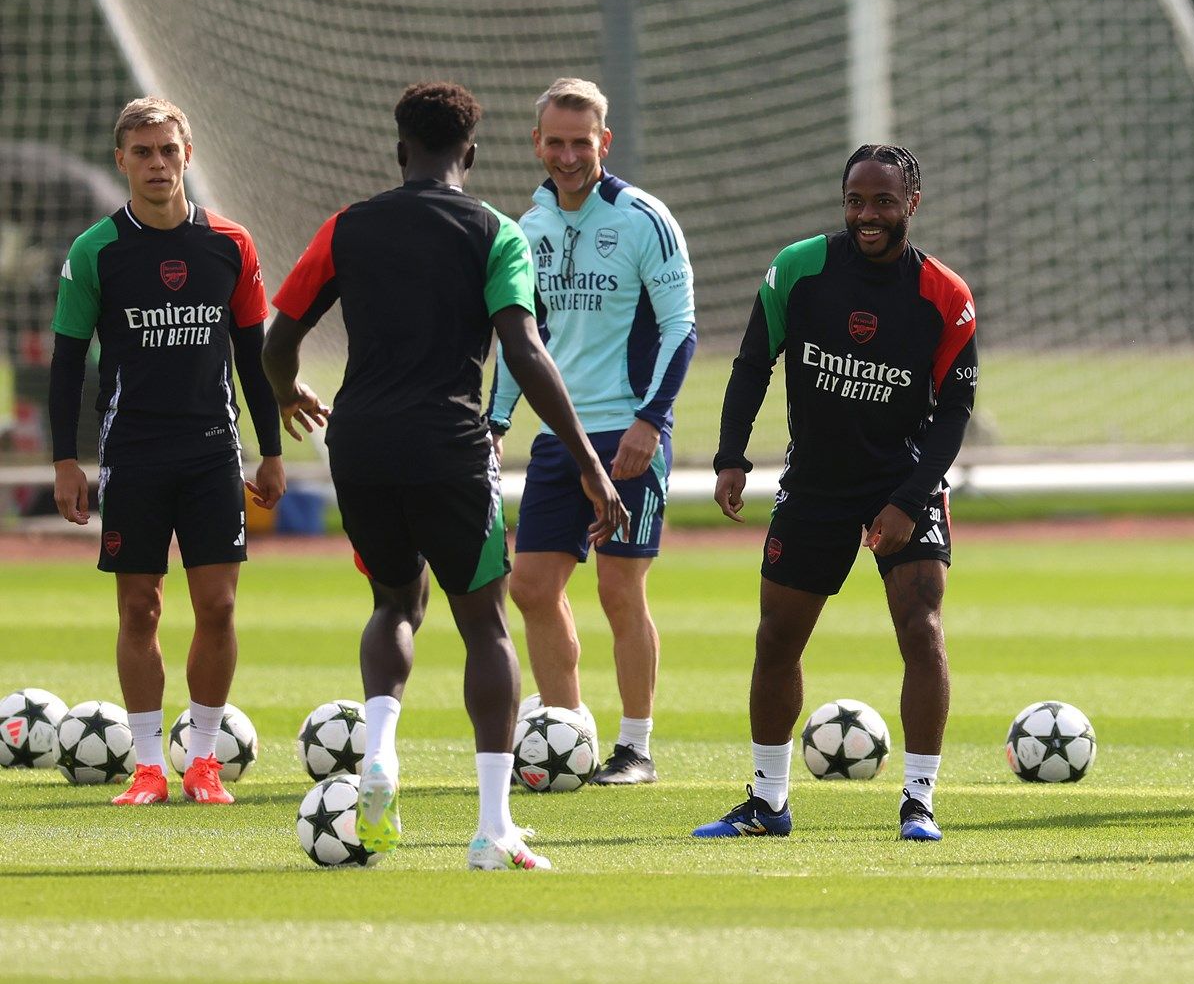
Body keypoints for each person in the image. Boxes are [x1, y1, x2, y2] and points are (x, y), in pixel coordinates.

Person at [262, 82, 626, 871]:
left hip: (358, 444)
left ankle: (381, 749)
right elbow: (525, 353)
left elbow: (276, 337)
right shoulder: (497, 234)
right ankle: (493, 829)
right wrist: (591, 463)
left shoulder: (345, 228)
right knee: (485, 627)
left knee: (395, 600)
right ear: (470, 153)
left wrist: (288, 390)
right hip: (452, 447)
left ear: (401, 152)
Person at [696, 144, 977, 842]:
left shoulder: (946, 296)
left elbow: (954, 415)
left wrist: (909, 501)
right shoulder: (798, 270)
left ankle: (919, 801)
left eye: (883, 202)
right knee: (777, 638)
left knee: (923, 630)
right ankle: (767, 802)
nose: (867, 216)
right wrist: (731, 455)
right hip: (816, 482)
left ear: (912, 203)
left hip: (903, 482)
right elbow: (752, 364)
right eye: (855, 200)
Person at [47, 96, 285, 806]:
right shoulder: (96, 251)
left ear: (189, 156)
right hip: (134, 453)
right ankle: (148, 766)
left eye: (168, 151)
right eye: (142, 152)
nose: (157, 164)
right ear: (121, 161)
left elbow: (255, 355)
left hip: (213, 450)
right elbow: (66, 364)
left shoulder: (230, 245)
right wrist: (67, 460)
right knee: (140, 608)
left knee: (217, 606)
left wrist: (271, 450)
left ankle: (203, 762)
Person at [486, 77, 696, 785]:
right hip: (559, 442)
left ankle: (635, 748)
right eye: (557, 141)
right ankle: (567, 737)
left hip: (629, 437)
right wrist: (495, 423)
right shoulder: (527, 229)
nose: (569, 155)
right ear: (536, 143)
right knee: (533, 588)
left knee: (618, 591)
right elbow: (525, 342)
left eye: (583, 142)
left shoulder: (644, 218)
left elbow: (681, 328)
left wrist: (651, 421)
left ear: (605, 142)